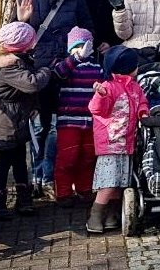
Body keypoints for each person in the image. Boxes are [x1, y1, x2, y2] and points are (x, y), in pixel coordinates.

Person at [14, 0, 94, 198]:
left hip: (68, 70)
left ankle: (53, 178)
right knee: (39, 126)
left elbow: (88, 28)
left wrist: (81, 51)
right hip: (38, 71)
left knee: (58, 128)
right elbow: (13, 37)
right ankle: (38, 176)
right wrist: (22, 21)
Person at [0, 22, 55, 219]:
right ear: (22, 45)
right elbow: (31, 84)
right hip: (5, 117)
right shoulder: (8, 66)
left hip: (15, 116)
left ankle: (24, 199)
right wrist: (46, 71)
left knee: (18, 159)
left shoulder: (13, 59)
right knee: (6, 159)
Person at [88, 51, 150, 234]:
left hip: (126, 142)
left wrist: (143, 112)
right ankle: (95, 216)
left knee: (119, 181)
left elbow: (142, 102)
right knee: (108, 182)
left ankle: (111, 215)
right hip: (110, 143)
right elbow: (96, 109)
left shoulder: (134, 87)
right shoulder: (110, 86)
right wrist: (100, 95)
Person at [51, 28, 102, 208]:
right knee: (68, 156)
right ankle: (63, 192)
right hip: (69, 121)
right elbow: (57, 74)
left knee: (88, 156)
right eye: (76, 46)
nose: (81, 49)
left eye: (84, 46)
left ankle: (84, 188)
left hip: (91, 121)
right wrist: (76, 58)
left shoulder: (97, 67)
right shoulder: (65, 65)